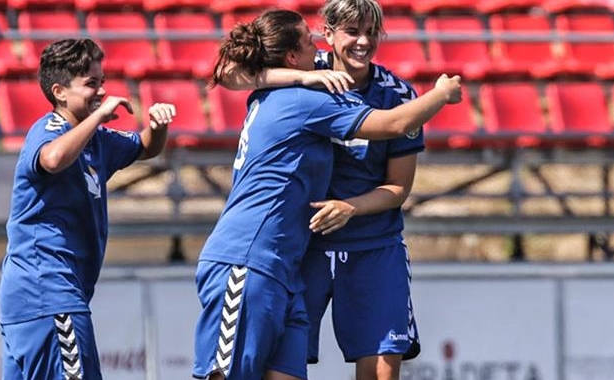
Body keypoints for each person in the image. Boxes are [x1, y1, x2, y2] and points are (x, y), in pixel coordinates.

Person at [194, 8, 461, 380]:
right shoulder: (306, 85)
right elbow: (226, 72)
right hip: (295, 251)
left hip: (363, 246)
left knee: (372, 370)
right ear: (328, 34)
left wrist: (350, 207)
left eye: (372, 31)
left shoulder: (397, 94)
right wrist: (442, 94)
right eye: (352, 31)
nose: (364, 41)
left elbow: (399, 186)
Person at [0, 38, 176, 380]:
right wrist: (97, 118)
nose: (101, 91)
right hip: (49, 293)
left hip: (36, 301)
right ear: (60, 92)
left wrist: (158, 124)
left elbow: (144, 147)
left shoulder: (97, 141)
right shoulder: (49, 130)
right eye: (91, 83)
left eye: (102, 81)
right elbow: (51, 159)